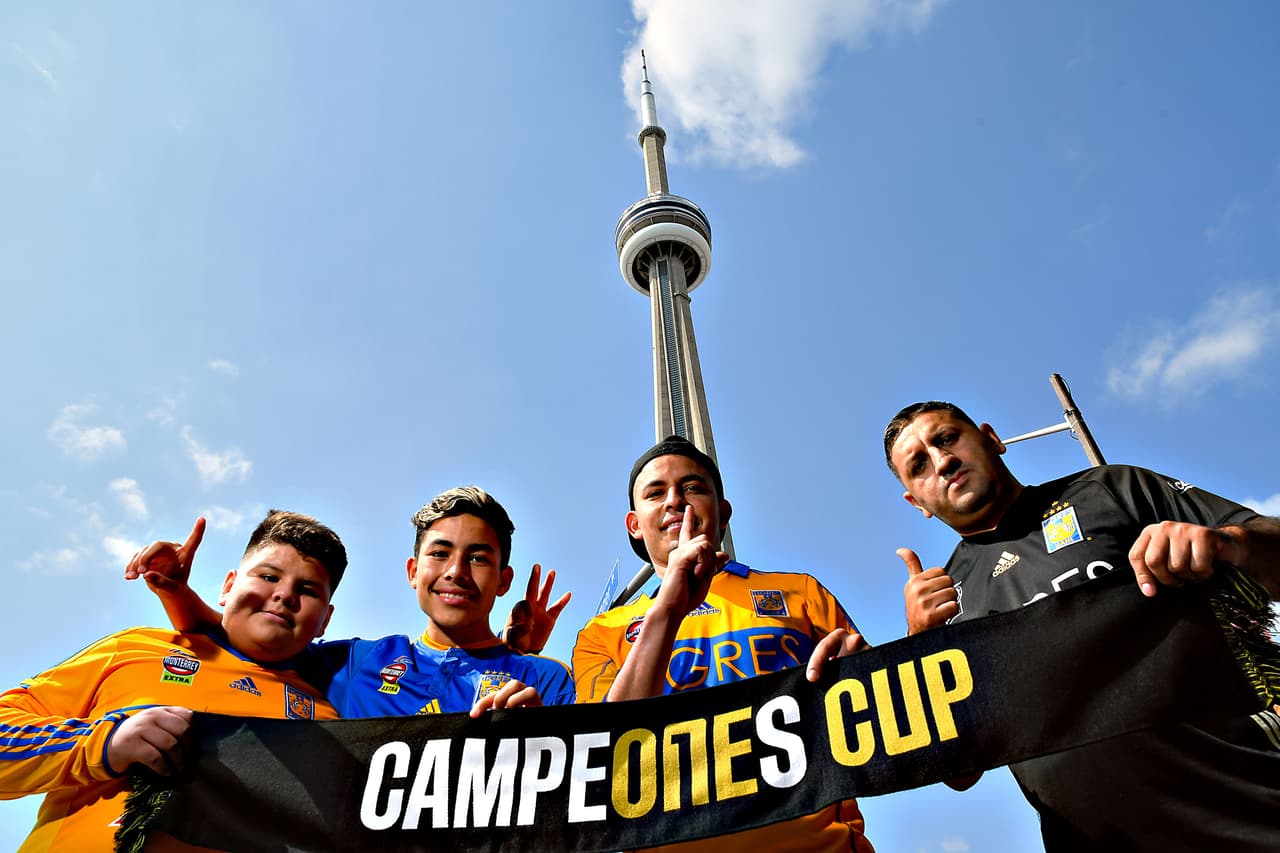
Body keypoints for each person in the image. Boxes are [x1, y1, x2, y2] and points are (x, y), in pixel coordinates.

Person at [885, 400, 1280, 852]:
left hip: (1250, 811)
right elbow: (959, 775)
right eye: (919, 464)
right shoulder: (944, 605)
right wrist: (919, 647)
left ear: (992, 439)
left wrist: (1230, 542)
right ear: (917, 504)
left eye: (947, 438)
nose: (942, 461)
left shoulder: (1111, 489)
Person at [572, 436, 875, 853]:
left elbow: (886, 725)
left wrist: (873, 676)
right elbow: (603, 759)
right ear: (634, 525)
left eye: (693, 487)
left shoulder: (799, 592)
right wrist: (668, 609)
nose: (675, 501)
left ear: (724, 511)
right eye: (656, 493)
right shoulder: (601, 632)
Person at [0, 509, 345, 852]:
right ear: (227, 587)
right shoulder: (132, 648)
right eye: (269, 577)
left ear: (325, 620)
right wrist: (103, 743)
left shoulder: (330, 720)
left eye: (308, 590)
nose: (285, 594)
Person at [130, 486, 574, 717]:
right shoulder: (353, 662)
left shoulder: (545, 680)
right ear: (412, 572)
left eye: (478, 558)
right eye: (439, 553)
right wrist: (176, 591)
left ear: (503, 580)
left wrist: (539, 740)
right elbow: (249, 634)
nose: (455, 571)